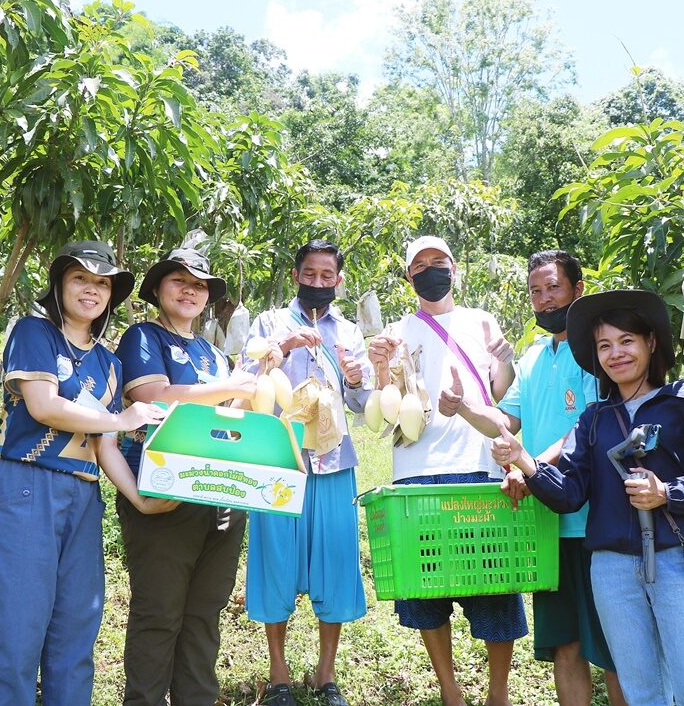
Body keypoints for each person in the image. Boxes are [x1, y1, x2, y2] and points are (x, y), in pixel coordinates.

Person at [491, 289, 684, 706]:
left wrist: (667, 493)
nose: (616, 354)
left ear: (651, 343)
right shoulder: (595, 418)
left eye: (626, 341)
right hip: (611, 572)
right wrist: (524, 460)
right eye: (604, 345)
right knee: (641, 692)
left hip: (677, 562)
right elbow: (569, 494)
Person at [0, 240, 170, 706]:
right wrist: (122, 419)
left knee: (76, 630)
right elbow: (44, 407)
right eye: (80, 279)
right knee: (20, 630)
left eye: (102, 283)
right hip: (26, 484)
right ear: (59, 284)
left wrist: (140, 499)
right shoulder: (34, 332)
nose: (92, 290)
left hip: (85, 496)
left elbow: (106, 446)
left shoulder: (110, 363)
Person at [441, 251, 626, 706]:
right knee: (565, 644)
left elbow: (584, 427)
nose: (544, 301)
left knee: (615, 650)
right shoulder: (534, 357)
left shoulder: (596, 355)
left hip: (594, 522)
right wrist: (464, 407)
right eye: (535, 292)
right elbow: (506, 419)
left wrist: (529, 466)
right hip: (547, 525)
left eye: (553, 288)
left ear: (578, 291)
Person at [367, 235, 521, 706]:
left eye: (440, 262)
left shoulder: (482, 321)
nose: (431, 270)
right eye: (420, 264)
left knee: (495, 583)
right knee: (425, 586)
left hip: (480, 466)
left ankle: (498, 693)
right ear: (408, 276)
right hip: (416, 472)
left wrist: (507, 359)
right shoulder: (395, 332)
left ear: (456, 268)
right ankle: (450, 691)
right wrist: (377, 367)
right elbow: (386, 413)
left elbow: (504, 399)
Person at [114, 248, 259, 706]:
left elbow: (232, 419)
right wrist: (235, 386)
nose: (190, 290)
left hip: (220, 497)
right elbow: (155, 396)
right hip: (163, 495)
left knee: (204, 616)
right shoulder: (143, 337)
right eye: (179, 281)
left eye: (199, 285)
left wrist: (250, 386)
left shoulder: (214, 353)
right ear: (158, 289)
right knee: (159, 615)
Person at [240, 239, 372, 706]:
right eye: (310, 274)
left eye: (327, 276)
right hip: (279, 458)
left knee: (335, 560)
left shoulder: (350, 333)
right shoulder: (270, 322)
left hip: (334, 461)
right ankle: (278, 673)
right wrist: (284, 345)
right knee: (275, 558)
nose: (318, 283)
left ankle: (325, 672)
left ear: (338, 281)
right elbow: (246, 378)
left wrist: (357, 379)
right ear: (296, 275)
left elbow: (362, 403)